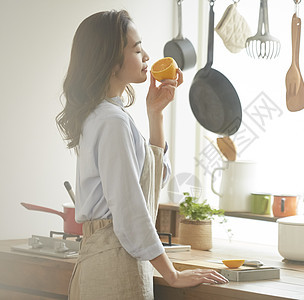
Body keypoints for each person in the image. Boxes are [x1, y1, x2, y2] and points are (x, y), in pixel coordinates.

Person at [56, 10, 228, 299]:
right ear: (111, 60)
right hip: (114, 262)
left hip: (112, 257)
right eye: (136, 49)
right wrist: (171, 274)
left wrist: (155, 115)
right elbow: (130, 207)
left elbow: (149, 182)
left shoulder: (105, 115)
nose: (147, 55)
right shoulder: (112, 120)